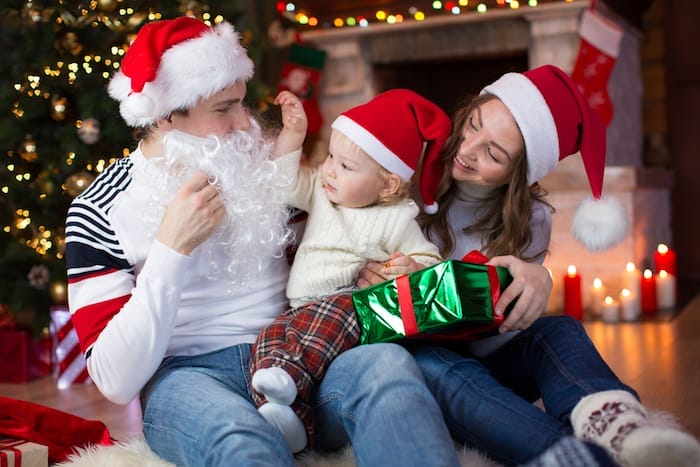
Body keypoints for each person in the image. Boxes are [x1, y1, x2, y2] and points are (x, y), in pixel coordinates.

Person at [64, 16, 463, 467]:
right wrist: (170, 253)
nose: (245, 123)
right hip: (188, 379)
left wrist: (376, 269)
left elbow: (343, 244)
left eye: (242, 103)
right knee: (242, 441)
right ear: (166, 114)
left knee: (389, 372)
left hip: (301, 356)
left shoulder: (270, 174)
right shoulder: (99, 209)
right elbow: (114, 380)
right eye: (223, 108)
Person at [358, 65, 700, 467]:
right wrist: (366, 272)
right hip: (426, 362)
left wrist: (536, 278)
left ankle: (617, 426)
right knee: (431, 362)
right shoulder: (405, 176)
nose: (467, 150)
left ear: (516, 175)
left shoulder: (532, 218)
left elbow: (489, 341)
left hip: (487, 357)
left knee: (559, 328)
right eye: (473, 126)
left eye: (493, 153)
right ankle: (566, 454)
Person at [249, 89, 450, 452]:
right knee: (270, 338)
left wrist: (413, 267)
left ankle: (290, 390)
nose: (330, 170)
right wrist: (293, 134)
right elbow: (282, 182)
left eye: (346, 166)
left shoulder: (397, 218)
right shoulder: (321, 190)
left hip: (349, 306)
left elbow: (432, 263)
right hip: (301, 309)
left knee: (331, 322)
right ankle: (286, 414)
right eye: (330, 156)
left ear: (387, 183)